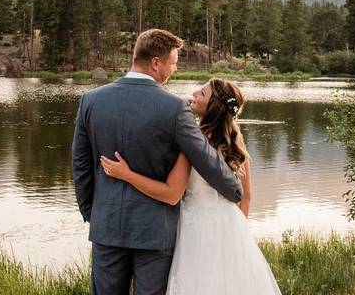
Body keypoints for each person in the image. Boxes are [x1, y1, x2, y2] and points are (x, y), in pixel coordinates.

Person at [72, 29, 243, 295]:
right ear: (155, 63)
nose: (174, 69)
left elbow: (81, 167)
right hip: (154, 232)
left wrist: (92, 213)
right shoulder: (174, 108)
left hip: (106, 226)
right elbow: (205, 158)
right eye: (173, 63)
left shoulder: (91, 101)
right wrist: (234, 189)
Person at [100, 77, 282, 295]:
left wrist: (127, 175)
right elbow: (246, 197)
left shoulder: (194, 144)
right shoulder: (236, 141)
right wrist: (238, 239)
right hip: (231, 227)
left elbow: (170, 194)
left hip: (196, 230)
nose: (194, 93)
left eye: (202, 94)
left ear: (212, 107)